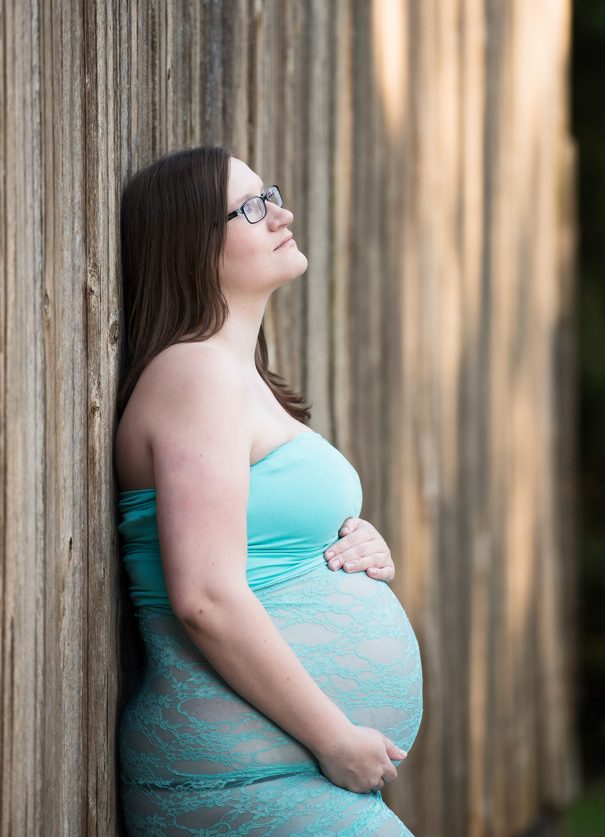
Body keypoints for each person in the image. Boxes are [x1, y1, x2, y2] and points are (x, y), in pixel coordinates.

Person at [115, 146, 423, 836]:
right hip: (244, 769)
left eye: (271, 194)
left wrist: (353, 545)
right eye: (251, 207)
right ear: (194, 243)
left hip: (279, 767)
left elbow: (263, 538)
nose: (280, 213)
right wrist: (334, 738)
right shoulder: (196, 374)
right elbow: (206, 596)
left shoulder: (237, 378)